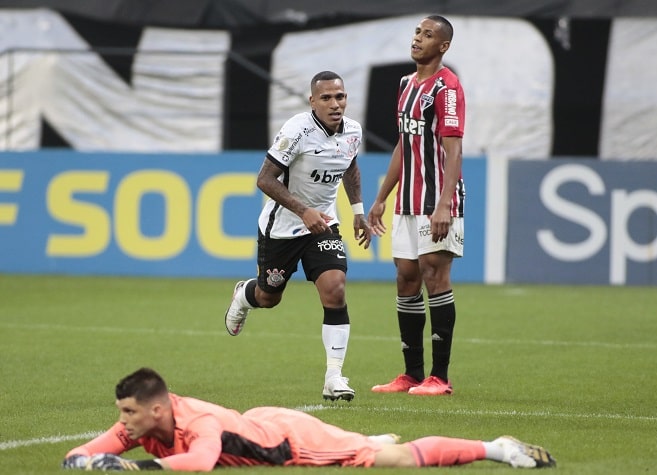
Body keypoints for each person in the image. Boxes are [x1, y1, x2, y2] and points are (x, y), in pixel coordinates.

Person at [62, 367, 556, 471]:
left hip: (289, 440)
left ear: (157, 409)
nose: (121, 424)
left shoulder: (199, 426)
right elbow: (81, 454)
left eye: (128, 413)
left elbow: (202, 461)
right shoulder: (142, 422)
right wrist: (82, 463)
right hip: (260, 420)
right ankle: (360, 435)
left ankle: (498, 447)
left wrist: (134, 468)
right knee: (356, 440)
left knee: (395, 461)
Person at [223, 71, 370, 402]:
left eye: (341, 97)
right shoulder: (297, 130)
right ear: (313, 101)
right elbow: (265, 179)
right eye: (327, 98)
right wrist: (304, 211)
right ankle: (244, 295)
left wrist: (358, 211)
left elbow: (350, 167)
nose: (336, 104)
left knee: (335, 290)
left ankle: (334, 376)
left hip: (323, 225)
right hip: (283, 227)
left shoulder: (353, 131)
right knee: (268, 297)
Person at [368, 15, 466, 396]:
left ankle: (439, 378)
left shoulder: (448, 87)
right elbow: (403, 145)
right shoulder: (406, 85)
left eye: (428, 35)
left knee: (433, 274)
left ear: (443, 46)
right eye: (417, 33)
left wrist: (444, 205)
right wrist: (380, 198)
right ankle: (411, 374)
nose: (418, 39)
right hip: (407, 202)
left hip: (438, 201)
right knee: (406, 278)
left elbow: (454, 150)